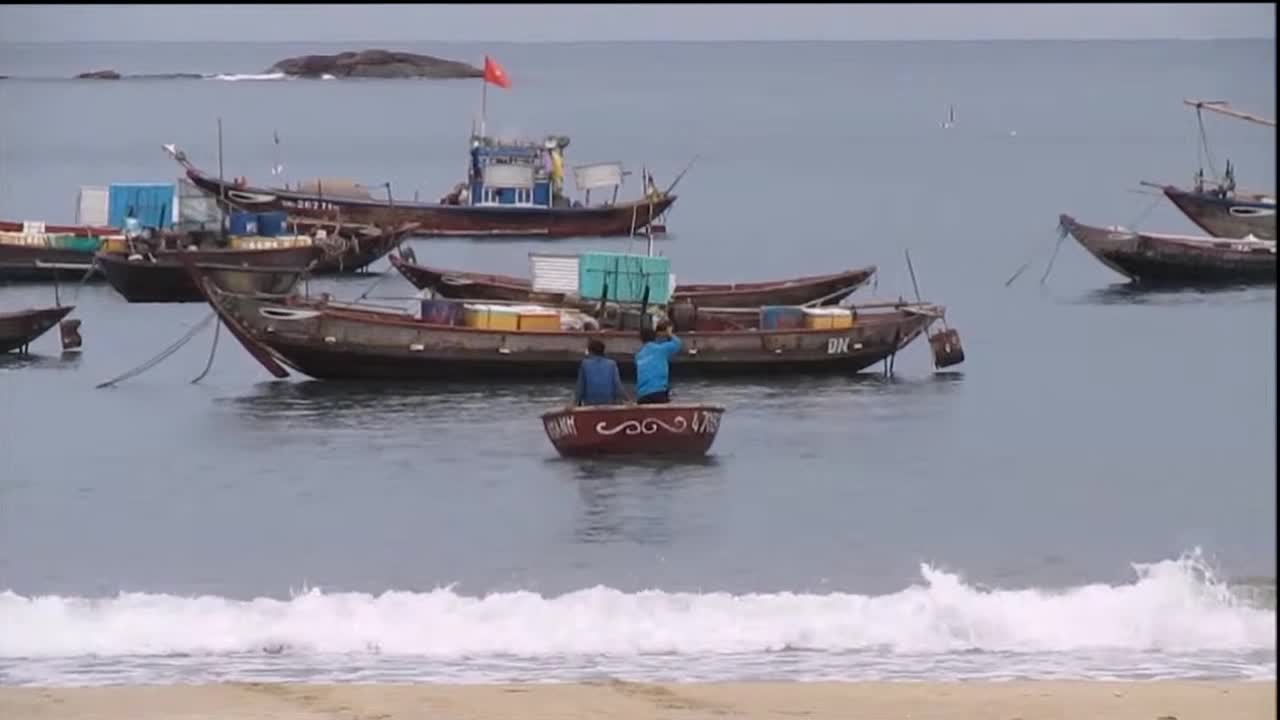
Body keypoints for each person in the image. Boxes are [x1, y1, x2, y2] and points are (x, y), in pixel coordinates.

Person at [634, 319, 682, 404]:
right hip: (658, 392)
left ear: (641, 340)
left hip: (642, 396)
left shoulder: (638, 356)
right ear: (655, 337)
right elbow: (678, 344)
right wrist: (669, 333)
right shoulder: (661, 349)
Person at [574, 338, 629, 407]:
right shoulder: (612, 364)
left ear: (590, 351)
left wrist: (573, 404)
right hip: (609, 403)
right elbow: (618, 386)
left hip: (590, 404)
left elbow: (580, 389)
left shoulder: (584, 364)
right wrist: (629, 400)